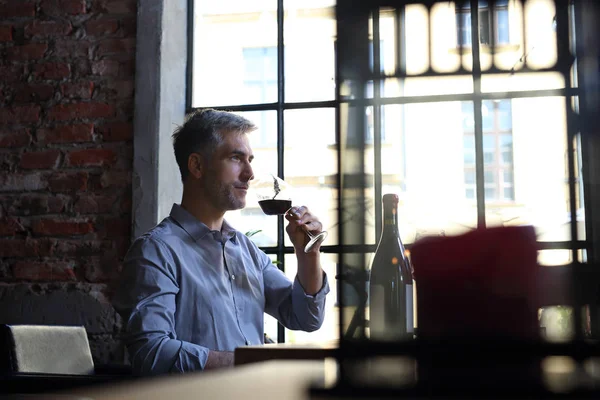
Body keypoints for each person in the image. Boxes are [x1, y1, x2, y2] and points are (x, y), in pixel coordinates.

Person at [112, 109, 330, 375]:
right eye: (236, 158)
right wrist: (251, 364)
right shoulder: (155, 252)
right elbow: (152, 353)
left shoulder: (247, 251)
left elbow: (305, 317)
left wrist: (308, 254)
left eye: (250, 159)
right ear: (197, 166)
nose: (250, 173)